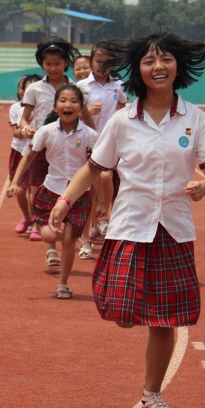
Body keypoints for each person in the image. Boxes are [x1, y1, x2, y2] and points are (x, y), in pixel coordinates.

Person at [49, 30, 205, 408]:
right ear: (138, 71)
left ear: (177, 66)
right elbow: (93, 169)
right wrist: (65, 200)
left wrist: (204, 187)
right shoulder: (122, 122)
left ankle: (152, 394)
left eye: (165, 60)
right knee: (125, 314)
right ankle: (129, 313)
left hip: (174, 229)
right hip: (130, 224)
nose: (158, 67)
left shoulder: (195, 119)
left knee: (165, 320)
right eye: (149, 61)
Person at [8, 84, 98, 299]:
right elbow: (28, 157)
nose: (68, 105)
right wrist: (15, 182)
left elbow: (99, 167)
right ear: (55, 106)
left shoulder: (90, 135)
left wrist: (101, 201)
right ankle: (47, 237)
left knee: (68, 238)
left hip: (78, 195)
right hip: (51, 191)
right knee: (50, 235)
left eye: (74, 101)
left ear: (81, 107)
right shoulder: (45, 132)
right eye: (63, 101)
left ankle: (63, 283)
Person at [18, 38, 94, 241]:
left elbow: (85, 116)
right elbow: (25, 117)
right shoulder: (34, 89)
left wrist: (94, 134)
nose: (53, 68)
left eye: (57, 64)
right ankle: (38, 221)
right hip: (42, 141)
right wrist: (27, 128)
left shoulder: (76, 88)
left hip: (69, 141)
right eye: (48, 64)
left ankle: (67, 225)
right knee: (37, 186)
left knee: (68, 185)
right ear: (42, 64)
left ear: (65, 64)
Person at [77, 41, 128, 257]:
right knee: (89, 188)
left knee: (111, 182)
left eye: (109, 62)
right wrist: (86, 111)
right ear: (91, 61)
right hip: (88, 141)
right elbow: (70, 111)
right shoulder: (82, 87)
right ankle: (86, 236)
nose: (103, 66)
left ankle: (105, 219)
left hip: (112, 142)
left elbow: (123, 109)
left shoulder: (119, 85)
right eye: (99, 61)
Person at [10, 74, 39, 234]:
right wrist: (26, 125)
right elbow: (16, 133)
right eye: (25, 87)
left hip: (37, 151)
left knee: (34, 190)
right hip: (20, 152)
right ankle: (28, 217)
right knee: (20, 190)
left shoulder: (44, 105)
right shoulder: (16, 108)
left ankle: (37, 223)